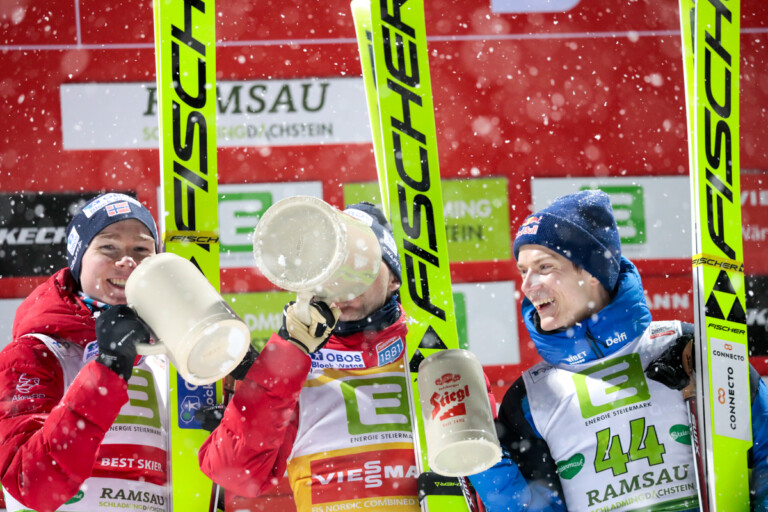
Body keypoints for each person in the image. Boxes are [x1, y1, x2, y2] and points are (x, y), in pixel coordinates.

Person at [468, 190, 768, 511]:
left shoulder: (688, 348)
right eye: (523, 271)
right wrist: (476, 457)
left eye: (544, 267)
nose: (527, 286)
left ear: (591, 271)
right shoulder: (528, 399)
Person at [199, 201, 425, 511]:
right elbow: (235, 473)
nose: (344, 282)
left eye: (363, 265)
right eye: (331, 268)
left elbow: (482, 470)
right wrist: (282, 360)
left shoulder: (430, 351)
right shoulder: (293, 368)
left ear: (394, 278)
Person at [0, 193, 169, 512]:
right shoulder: (33, 354)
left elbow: (239, 477)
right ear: (78, 260)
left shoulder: (175, 351)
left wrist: (247, 391)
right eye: (108, 247)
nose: (127, 261)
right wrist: (107, 370)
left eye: (141, 249)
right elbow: (31, 483)